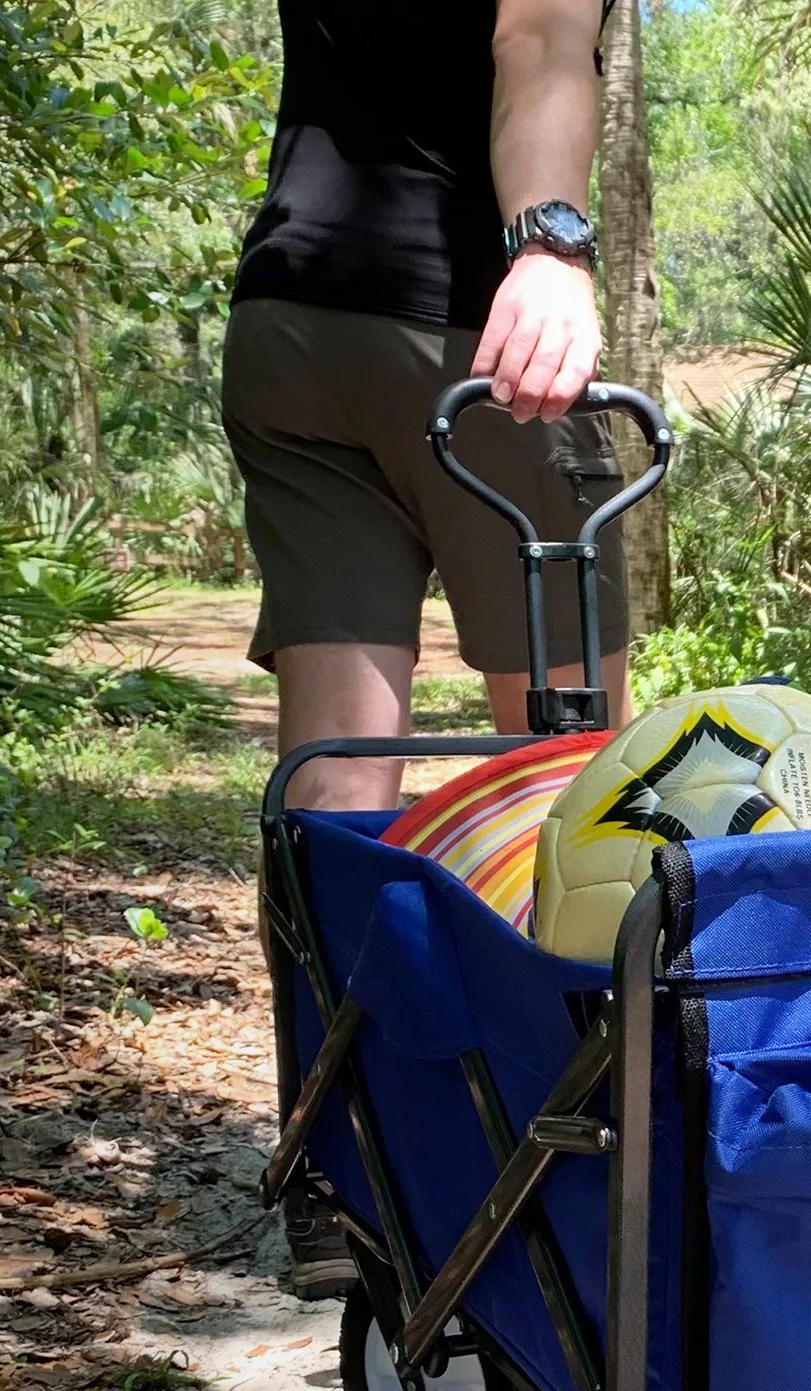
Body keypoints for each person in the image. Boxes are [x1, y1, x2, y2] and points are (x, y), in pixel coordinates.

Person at [229, 0, 630, 1293]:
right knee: (578, 781)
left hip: (293, 320)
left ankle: (339, 1172)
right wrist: (552, 244)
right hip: (475, 343)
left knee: (339, 783)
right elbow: (536, 38)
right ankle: (586, 1161)